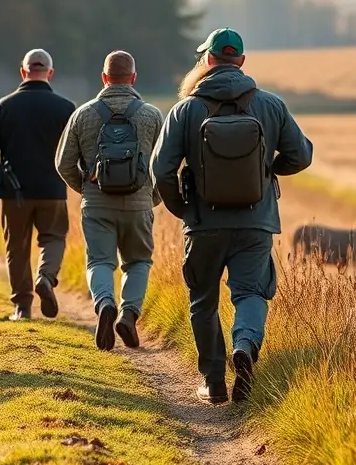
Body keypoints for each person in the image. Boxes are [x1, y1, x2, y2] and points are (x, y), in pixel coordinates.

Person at [151, 28, 313, 405]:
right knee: (251, 292)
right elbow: (302, 156)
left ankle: (213, 380)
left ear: (207, 61)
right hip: (256, 223)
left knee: (203, 300)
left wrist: (182, 208)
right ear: (240, 61)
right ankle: (244, 345)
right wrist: (267, 171)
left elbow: (160, 170)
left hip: (204, 224)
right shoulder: (270, 105)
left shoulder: (186, 110)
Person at [56, 51, 164, 351]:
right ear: (133, 77)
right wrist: (152, 196)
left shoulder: (84, 114)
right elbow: (166, 165)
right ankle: (129, 314)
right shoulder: (152, 115)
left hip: (97, 204)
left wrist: (87, 190)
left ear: (104, 78)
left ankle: (105, 304)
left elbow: (63, 163)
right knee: (138, 262)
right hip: (139, 204)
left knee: (100, 262)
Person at [0, 49, 75, 321]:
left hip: (13, 192)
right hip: (53, 191)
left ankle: (22, 306)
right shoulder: (66, 108)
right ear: (50, 73)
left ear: (23, 72)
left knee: (17, 248)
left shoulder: (2, 107)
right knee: (53, 238)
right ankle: (45, 276)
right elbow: (77, 150)